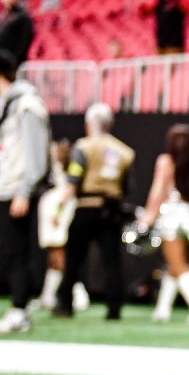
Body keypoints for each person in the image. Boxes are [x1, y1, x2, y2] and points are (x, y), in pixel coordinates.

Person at [0, 49, 50, 335]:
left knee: (17, 253)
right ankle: (17, 310)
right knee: (6, 250)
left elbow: (37, 155)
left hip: (16, 190)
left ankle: (19, 311)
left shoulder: (27, 105)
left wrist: (25, 191)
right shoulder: (9, 105)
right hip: (5, 188)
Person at [52, 103, 135, 321]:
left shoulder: (83, 147)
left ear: (89, 124)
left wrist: (59, 209)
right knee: (112, 261)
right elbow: (126, 187)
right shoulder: (125, 152)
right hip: (112, 210)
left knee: (73, 259)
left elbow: (73, 180)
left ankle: (65, 305)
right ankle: (114, 308)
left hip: (86, 208)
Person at [141, 124, 189, 325]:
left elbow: (158, 191)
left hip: (172, 216)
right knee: (174, 262)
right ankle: (162, 309)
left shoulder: (166, 161)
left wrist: (147, 218)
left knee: (177, 263)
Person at [36, 138, 90, 312]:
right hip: (52, 208)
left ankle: (79, 295)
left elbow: (71, 189)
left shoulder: (73, 166)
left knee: (61, 253)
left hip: (62, 210)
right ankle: (47, 295)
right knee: (53, 254)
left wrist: (59, 211)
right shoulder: (53, 168)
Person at [0, 0, 35, 66]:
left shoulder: (23, 17)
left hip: (10, 65)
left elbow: (23, 43)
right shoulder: (1, 17)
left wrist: (12, 63)